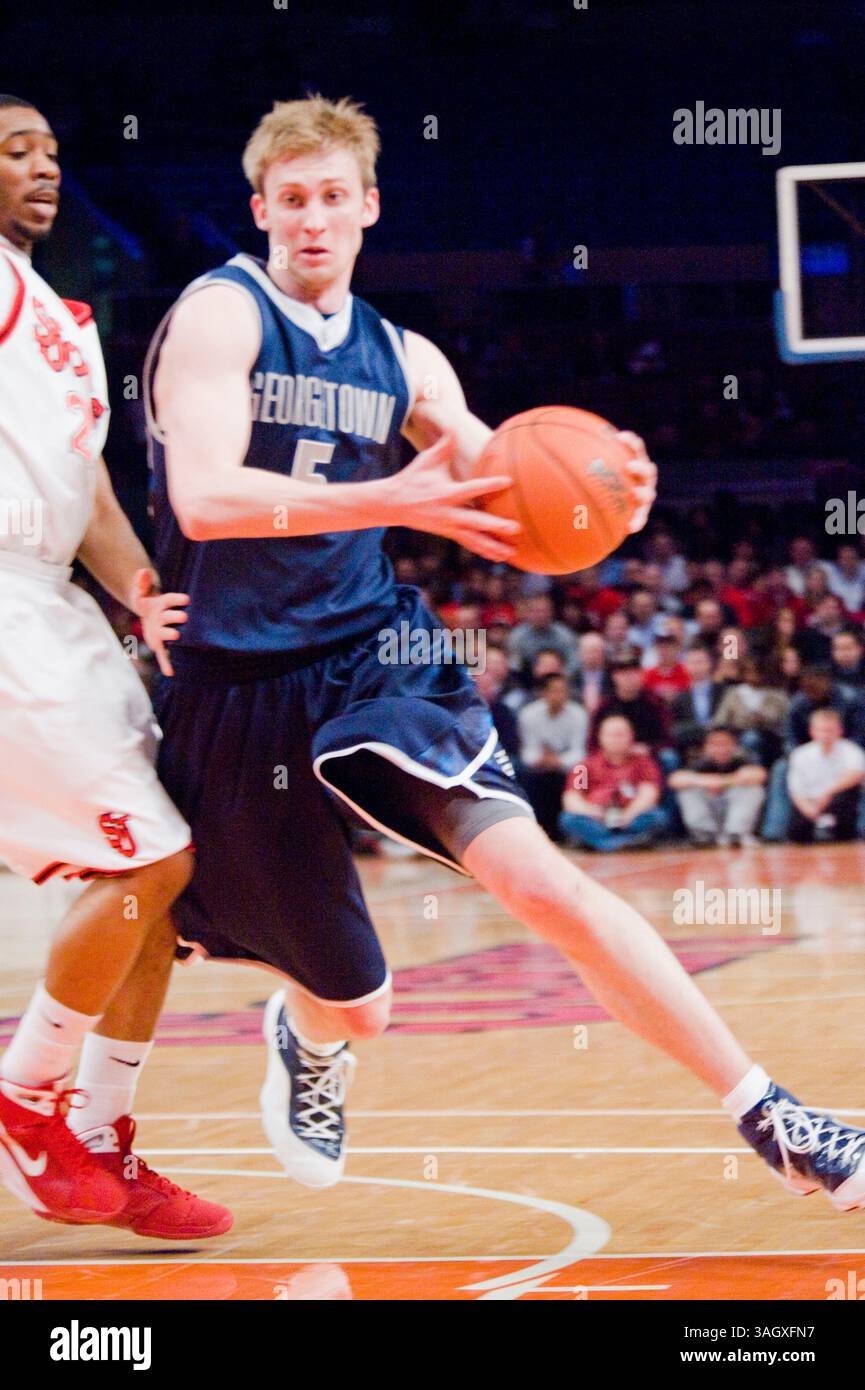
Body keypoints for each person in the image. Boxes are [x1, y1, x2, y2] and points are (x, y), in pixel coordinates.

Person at [146, 94, 865, 1208]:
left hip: (374, 656)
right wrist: (388, 493)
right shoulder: (221, 317)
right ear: (261, 210)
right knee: (356, 1004)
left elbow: (507, 500)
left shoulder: (407, 359)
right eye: (292, 201)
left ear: (370, 206)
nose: (313, 220)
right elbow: (202, 496)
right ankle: (312, 1031)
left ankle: (773, 1114)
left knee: (539, 880)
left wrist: (609, 501)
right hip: (237, 687)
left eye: (334, 197)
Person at [0, 95, 229, 1237]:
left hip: (57, 605)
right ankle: (23, 1094)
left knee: (162, 888)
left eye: (52, 151)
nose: (43, 168)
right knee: (154, 856)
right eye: (12, 152)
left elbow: (89, 489)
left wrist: (144, 599)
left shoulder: (64, 318)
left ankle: (98, 1133)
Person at [559, 715, 668, 851]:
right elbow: (572, 798)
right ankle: (621, 843)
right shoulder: (584, 766)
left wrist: (628, 814)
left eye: (621, 735)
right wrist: (593, 812)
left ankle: (601, 843)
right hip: (596, 818)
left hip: (631, 816)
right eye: (611, 735)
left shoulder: (644, 764)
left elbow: (649, 794)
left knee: (657, 816)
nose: (616, 740)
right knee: (568, 819)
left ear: (631, 736)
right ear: (600, 737)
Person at [668, 727, 767, 847]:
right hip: (710, 814)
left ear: (734, 746)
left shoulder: (742, 761)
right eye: (715, 744)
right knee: (687, 791)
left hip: (733, 815)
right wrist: (705, 782)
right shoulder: (699, 764)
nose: (721, 749)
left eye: (725, 744)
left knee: (753, 789)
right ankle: (704, 835)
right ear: (706, 747)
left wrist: (722, 781)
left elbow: (759, 775)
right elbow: (676, 779)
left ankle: (735, 835)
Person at [517, 673, 588, 840]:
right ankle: (534, 826)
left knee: (582, 772)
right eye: (554, 691)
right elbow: (527, 751)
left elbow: (580, 752)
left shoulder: (579, 714)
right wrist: (540, 759)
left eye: (563, 691)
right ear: (543, 693)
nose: (559, 695)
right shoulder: (528, 714)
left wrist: (558, 761)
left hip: (569, 766)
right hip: (538, 766)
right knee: (524, 772)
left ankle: (571, 829)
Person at [787, 708, 865, 843]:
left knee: (846, 795)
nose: (826, 735)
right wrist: (809, 809)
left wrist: (828, 793)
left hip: (838, 802)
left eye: (830, 730)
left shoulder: (852, 751)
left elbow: (857, 773)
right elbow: (795, 790)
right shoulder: (800, 755)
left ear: (840, 731)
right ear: (812, 731)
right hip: (810, 803)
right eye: (822, 730)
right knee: (797, 832)